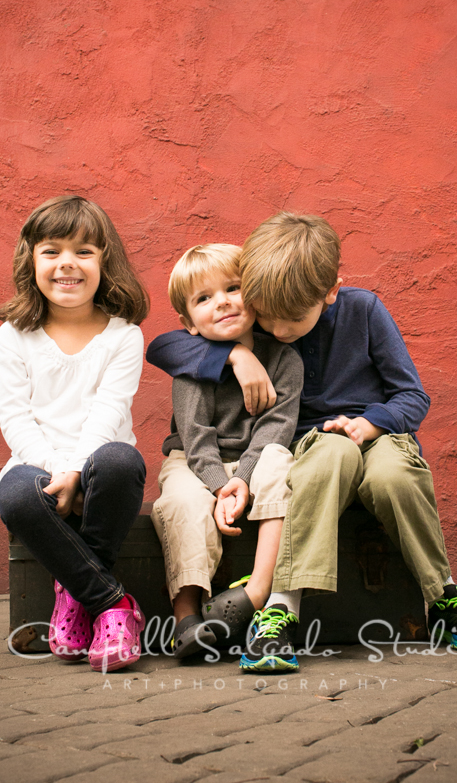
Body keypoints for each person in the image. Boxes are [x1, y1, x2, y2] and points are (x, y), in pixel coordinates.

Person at [147, 212, 457, 672]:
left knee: (395, 475)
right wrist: (235, 352)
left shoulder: (362, 310)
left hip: (376, 435)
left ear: (331, 291)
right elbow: (165, 346)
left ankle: (443, 595)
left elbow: (413, 396)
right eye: (268, 317)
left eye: (292, 318)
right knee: (330, 455)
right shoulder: (260, 314)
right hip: (310, 443)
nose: (278, 329)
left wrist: (371, 424)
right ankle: (281, 607)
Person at [0, 195, 149, 673]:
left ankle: (73, 591)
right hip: (37, 466)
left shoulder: (124, 336)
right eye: (52, 251)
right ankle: (112, 604)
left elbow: (108, 413)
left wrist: (79, 471)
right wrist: (57, 471)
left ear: (105, 261)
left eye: (84, 251)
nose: (68, 264)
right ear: (32, 260)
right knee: (16, 496)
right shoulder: (14, 336)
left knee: (122, 461)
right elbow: (15, 418)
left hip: (100, 466)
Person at [151, 244, 303, 663]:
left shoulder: (283, 358)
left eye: (233, 288)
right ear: (188, 323)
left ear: (252, 292)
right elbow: (196, 439)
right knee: (182, 501)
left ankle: (255, 594)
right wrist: (221, 486)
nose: (222, 302)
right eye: (204, 298)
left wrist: (244, 477)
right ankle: (186, 618)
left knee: (282, 463)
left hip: (256, 458)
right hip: (195, 461)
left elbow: (277, 427)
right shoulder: (191, 370)